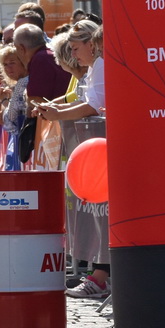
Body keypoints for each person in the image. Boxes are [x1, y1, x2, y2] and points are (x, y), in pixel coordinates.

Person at [34, 21, 108, 297]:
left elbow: (93, 105)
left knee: (102, 212)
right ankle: (97, 273)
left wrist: (58, 114)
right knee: (96, 213)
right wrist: (57, 108)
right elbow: (86, 101)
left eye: (76, 48)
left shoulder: (100, 63)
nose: (73, 54)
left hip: (101, 148)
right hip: (96, 149)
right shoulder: (93, 66)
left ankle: (101, 276)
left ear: (91, 44)